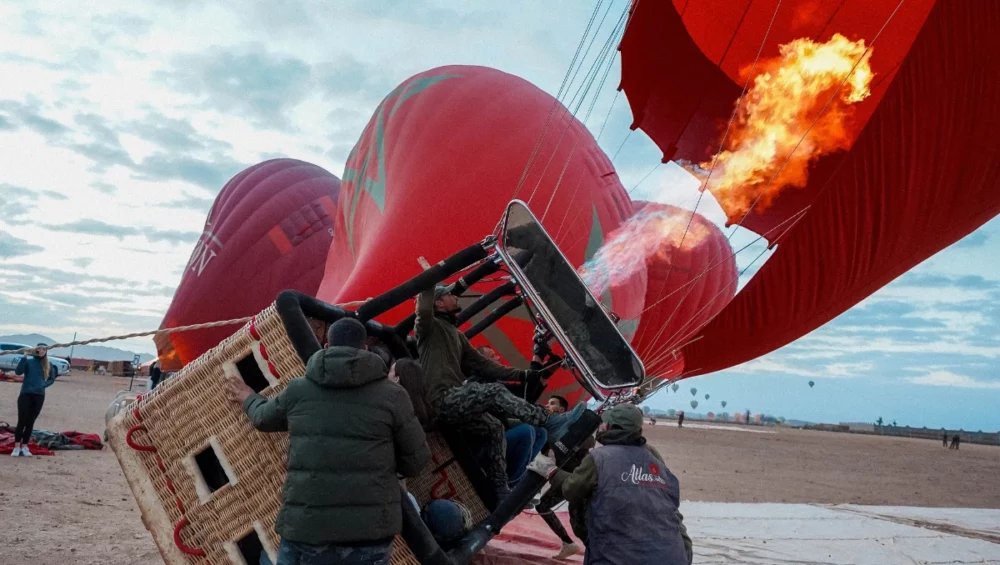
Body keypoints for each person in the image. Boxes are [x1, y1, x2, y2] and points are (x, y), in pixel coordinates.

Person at [224, 318, 430, 565]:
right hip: (369, 536)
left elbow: (262, 418)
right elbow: (417, 461)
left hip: (306, 532)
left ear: (326, 346)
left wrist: (249, 397)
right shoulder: (394, 396)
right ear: (364, 348)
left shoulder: (299, 390)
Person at [415, 284, 583, 500]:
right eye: (449, 295)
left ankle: (501, 488)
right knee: (495, 392)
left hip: (454, 402)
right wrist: (430, 280)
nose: (455, 297)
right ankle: (549, 421)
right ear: (438, 302)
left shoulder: (457, 335)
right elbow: (422, 309)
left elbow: (484, 365)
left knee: (494, 427)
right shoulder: (429, 327)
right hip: (441, 400)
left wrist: (522, 375)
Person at [529, 404, 693, 565]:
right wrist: (685, 554)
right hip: (673, 556)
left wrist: (551, 471)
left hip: (615, 557)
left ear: (610, 427)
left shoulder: (600, 458)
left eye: (604, 423)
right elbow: (673, 509)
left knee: (584, 501)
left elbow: (572, 489)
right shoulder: (653, 458)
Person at [11, 344, 58, 457]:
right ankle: (16, 447)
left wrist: (43, 385)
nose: (41, 351)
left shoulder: (48, 364)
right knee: (21, 421)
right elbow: (18, 371)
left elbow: (52, 378)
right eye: (39, 349)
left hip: (39, 396)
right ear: (35, 350)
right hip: (25, 394)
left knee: (30, 422)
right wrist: (24, 357)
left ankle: (25, 446)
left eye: (44, 349)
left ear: (46, 351)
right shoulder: (29, 362)